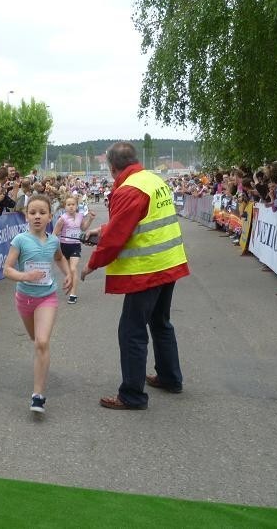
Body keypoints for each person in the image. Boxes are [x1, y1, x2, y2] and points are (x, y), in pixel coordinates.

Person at [80, 142, 189, 411]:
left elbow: (118, 236)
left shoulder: (129, 188)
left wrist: (91, 265)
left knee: (131, 331)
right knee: (161, 322)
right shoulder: (152, 179)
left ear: (112, 167)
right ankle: (169, 377)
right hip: (168, 262)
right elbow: (135, 220)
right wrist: (103, 229)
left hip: (147, 269)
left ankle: (132, 395)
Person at [2, 195, 72, 413]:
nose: (37, 217)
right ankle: (40, 367)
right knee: (34, 338)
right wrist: (26, 276)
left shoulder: (54, 241)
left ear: (51, 216)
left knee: (41, 342)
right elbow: (7, 269)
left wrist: (68, 274)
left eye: (42, 213)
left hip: (47, 297)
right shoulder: (20, 240)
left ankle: (38, 395)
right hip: (24, 298)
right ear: (26, 216)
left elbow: (59, 258)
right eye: (32, 213)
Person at [53, 196, 95, 304]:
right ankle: (70, 282)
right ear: (65, 207)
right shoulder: (62, 218)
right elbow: (55, 233)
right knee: (68, 271)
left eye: (73, 204)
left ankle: (73, 294)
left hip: (75, 246)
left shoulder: (80, 216)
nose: (71, 207)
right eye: (69, 205)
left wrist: (90, 218)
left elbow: (84, 228)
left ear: (76, 206)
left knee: (73, 268)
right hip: (64, 246)